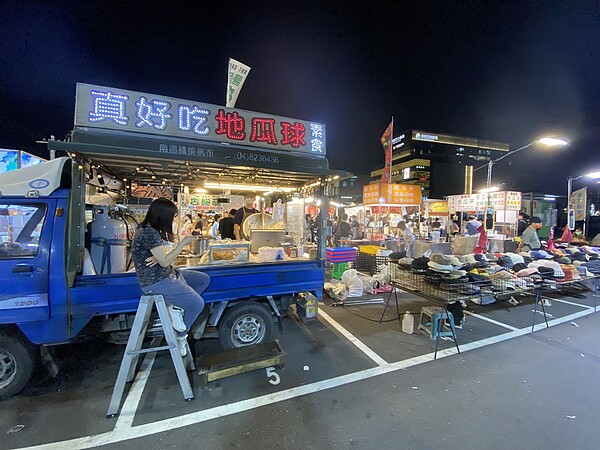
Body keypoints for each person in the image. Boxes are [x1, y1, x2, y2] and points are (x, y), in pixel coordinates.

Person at [131, 198, 210, 356]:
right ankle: (180, 335)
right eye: (172, 216)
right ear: (163, 216)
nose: (173, 219)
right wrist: (182, 244)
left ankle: (177, 307)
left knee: (203, 279)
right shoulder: (149, 232)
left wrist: (159, 256)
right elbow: (165, 260)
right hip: (156, 281)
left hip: (167, 273)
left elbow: (162, 258)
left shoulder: (147, 229)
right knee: (197, 304)